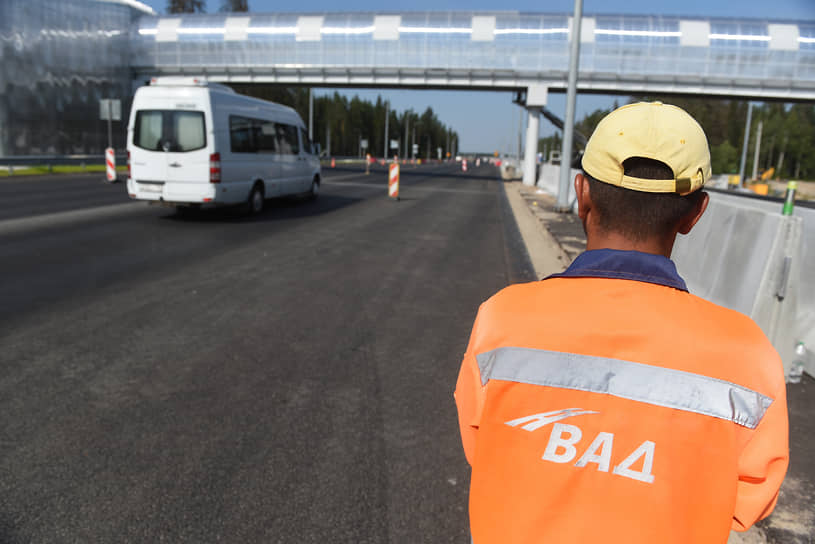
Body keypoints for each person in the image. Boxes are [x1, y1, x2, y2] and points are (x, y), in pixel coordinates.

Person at [454, 102, 788, 544]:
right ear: (695, 213)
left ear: (582, 193)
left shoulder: (502, 317)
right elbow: (748, 503)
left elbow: (483, 448)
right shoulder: (747, 353)